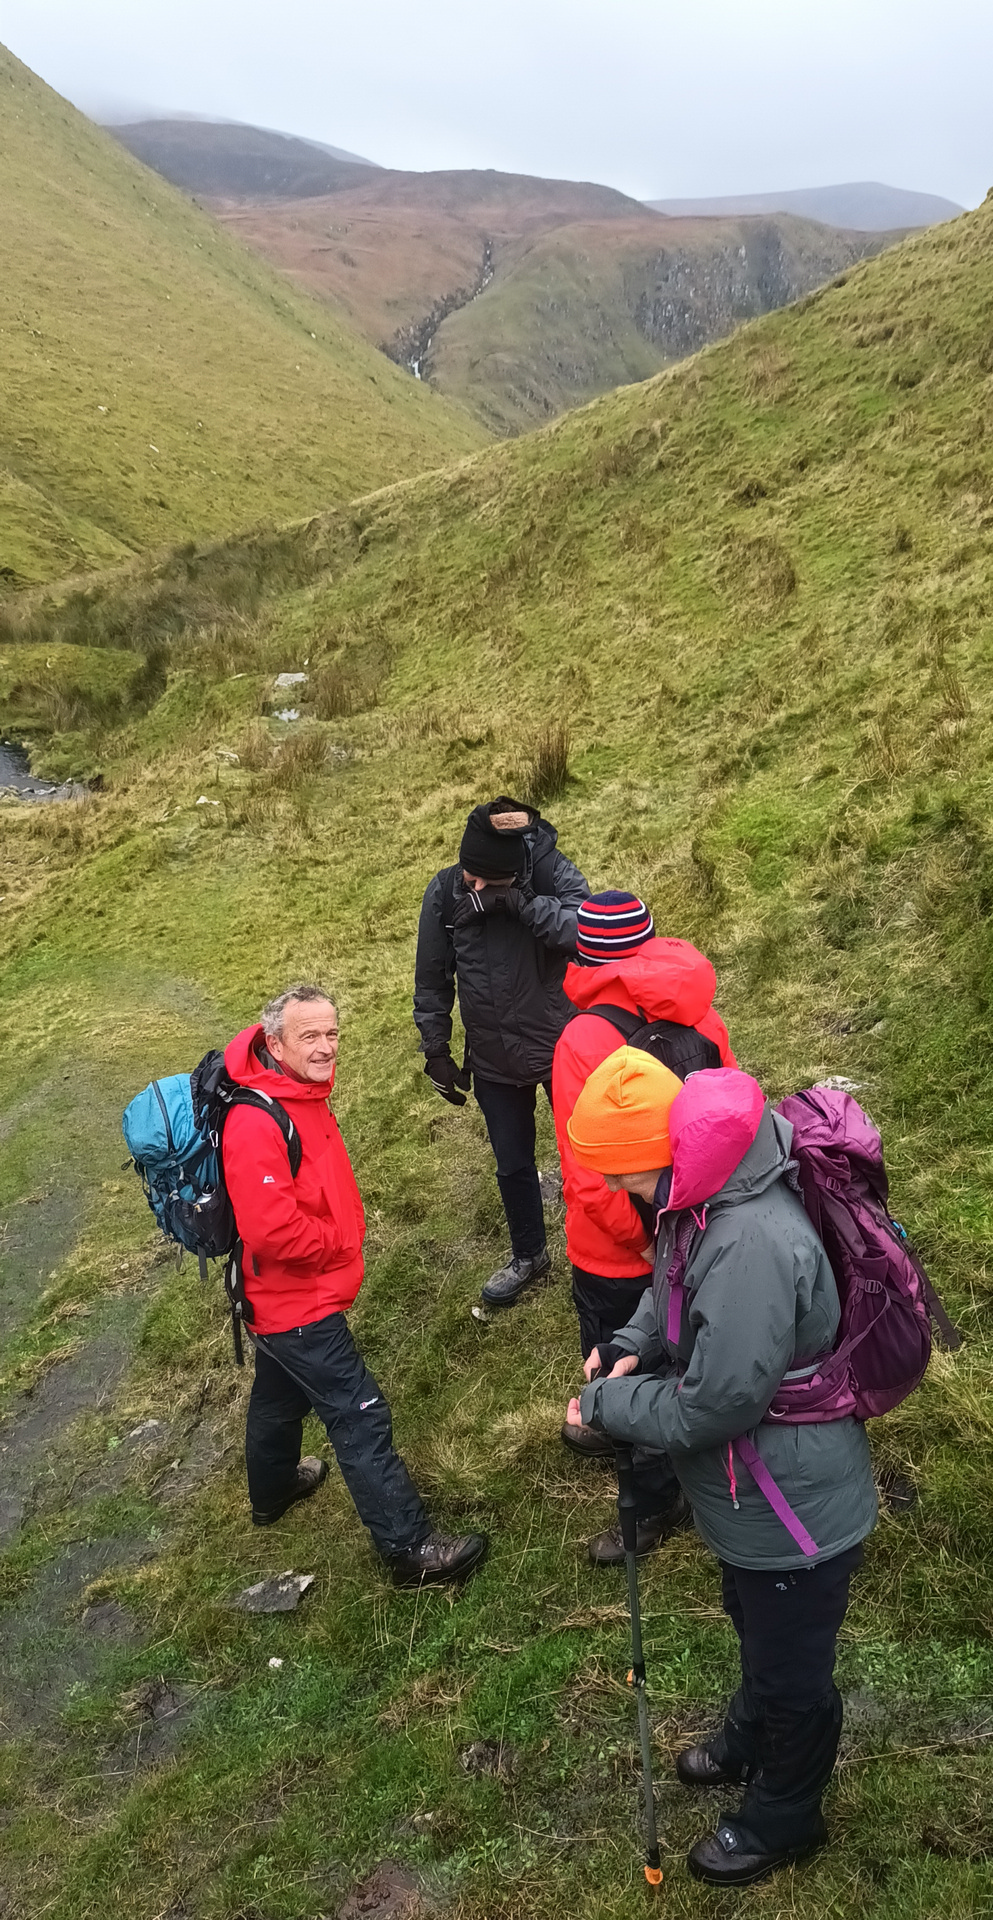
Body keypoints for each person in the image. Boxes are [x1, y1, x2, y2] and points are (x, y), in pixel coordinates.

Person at [564, 1051, 877, 1888]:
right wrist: (630, 1347)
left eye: (619, 1175)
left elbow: (715, 1405)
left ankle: (785, 1813)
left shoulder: (747, 1241)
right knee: (750, 1614)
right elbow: (668, 1289)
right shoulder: (699, 1190)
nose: (619, 1193)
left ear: (657, 1148)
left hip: (793, 1507)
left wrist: (603, 1410)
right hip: (753, 1494)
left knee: (794, 1671)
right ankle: (750, 1732)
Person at [221, 983, 487, 1587]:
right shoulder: (255, 1118)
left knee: (279, 1392)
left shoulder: (299, 1092)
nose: (324, 1048)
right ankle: (409, 1549)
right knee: (358, 1414)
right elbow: (272, 1231)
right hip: (296, 1301)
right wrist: (339, 1245)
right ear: (275, 1042)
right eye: (309, 1036)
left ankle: (272, 1493)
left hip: (279, 1302)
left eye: (331, 1033)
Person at [551, 892, 736, 1565]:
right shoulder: (699, 1009)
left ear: (584, 957)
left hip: (617, 1255)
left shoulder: (582, 1038)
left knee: (619, 1369)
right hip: (702, 1230)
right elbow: (731, 1112)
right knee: (691, 1355)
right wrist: (693, 1237)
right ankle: (705, 1475)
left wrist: (650, 1248)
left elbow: (588, 1172)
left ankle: (651, 1507)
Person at [414, 795, 588, 1306]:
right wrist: (436, 1048)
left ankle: (603, 1254)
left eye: (486, 879)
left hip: (561, 1047)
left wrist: (520, 905)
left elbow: (587, 932)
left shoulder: (550, 872)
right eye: (470, 874)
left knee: (586, 1157)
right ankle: (529, 1256)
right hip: (491, 1056)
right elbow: (431, 978)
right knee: (512, 1164)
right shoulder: (446, 892)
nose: (474, 886)